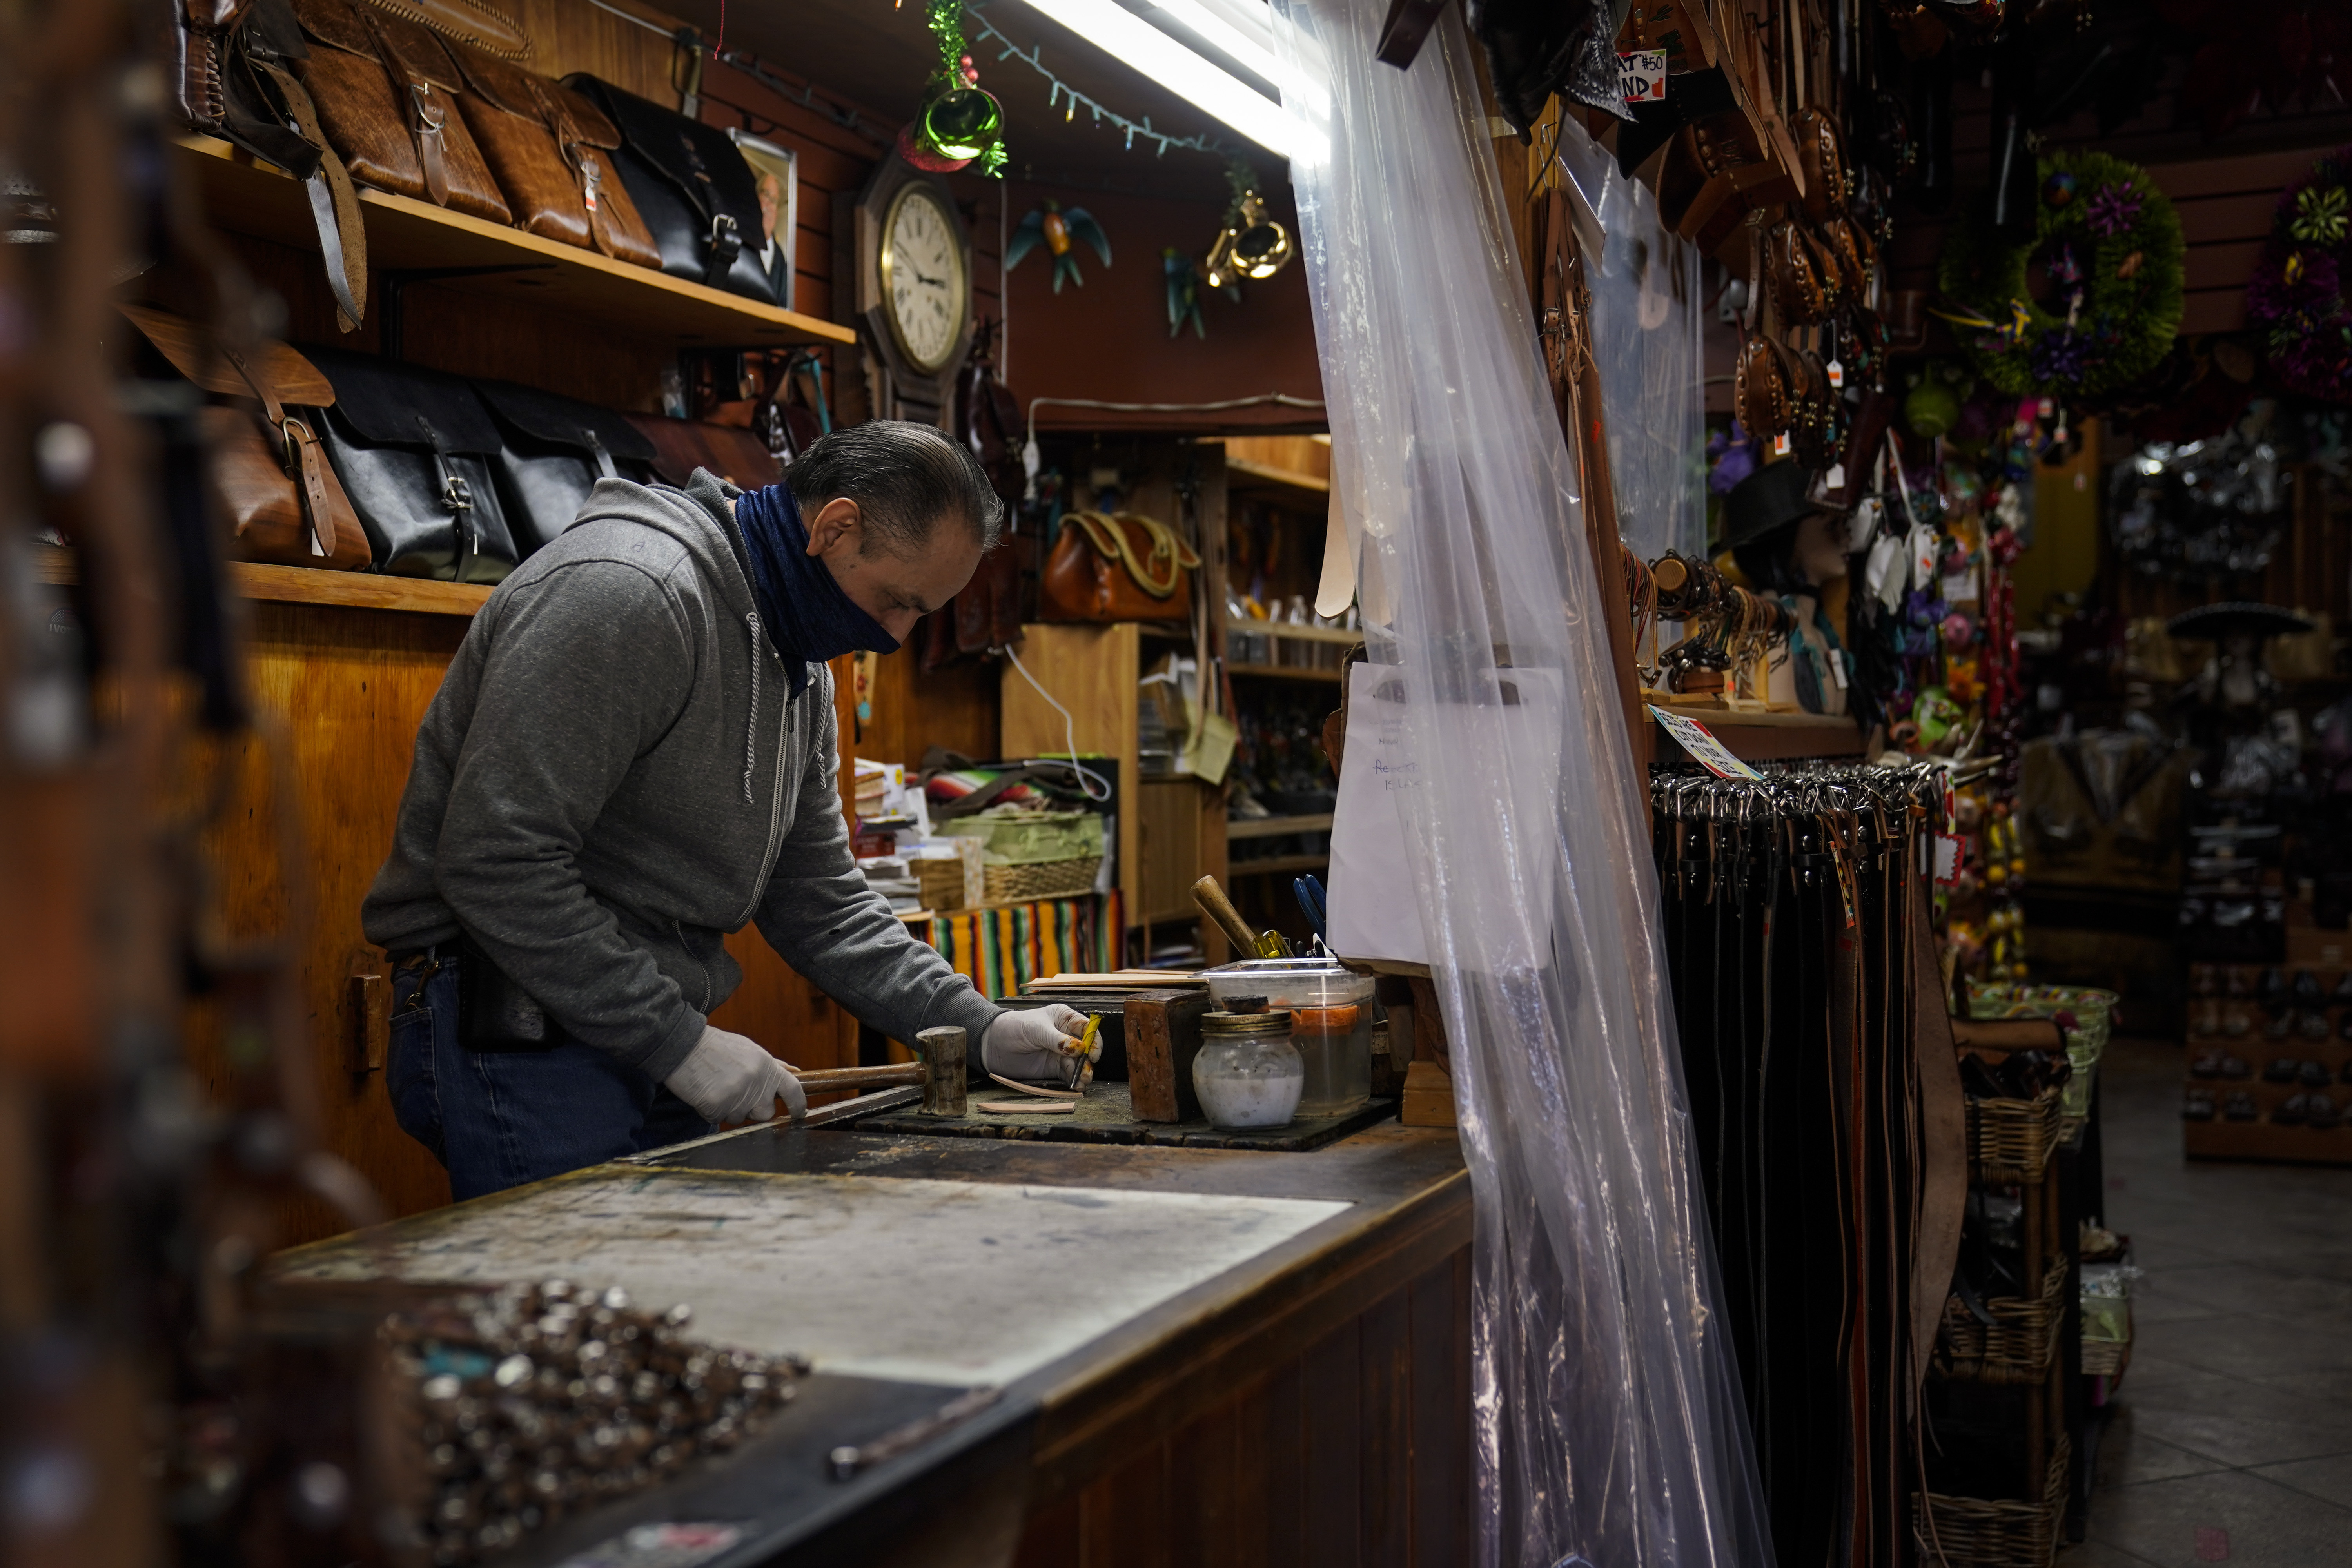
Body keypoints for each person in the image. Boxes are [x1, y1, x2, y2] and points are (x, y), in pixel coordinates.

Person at [362, 422, 1088, 1200]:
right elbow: (495, 858)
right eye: (896, 601)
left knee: (673, 1309)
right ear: (835, 526)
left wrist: (979, 1028)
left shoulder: (798, 657)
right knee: (581, 1314)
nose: (894, 637)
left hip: (636, 1023)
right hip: (514, 1022)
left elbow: (821, 901)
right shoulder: (630, 590)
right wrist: (679, 1044)